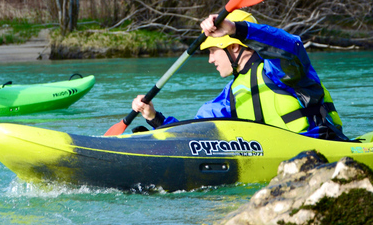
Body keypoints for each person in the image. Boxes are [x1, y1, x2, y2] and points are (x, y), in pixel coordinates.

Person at [131, 10, 348, 140]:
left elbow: (290, 46)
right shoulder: (232, 94)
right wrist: (154, 118)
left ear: (234, 47)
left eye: (213, 51)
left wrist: (236, 29)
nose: (210, 60)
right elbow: (195, 135)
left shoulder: (280, 70)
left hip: (320, 146)